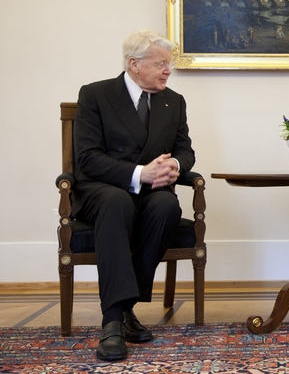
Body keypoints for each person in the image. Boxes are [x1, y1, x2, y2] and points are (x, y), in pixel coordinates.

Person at [72, 28, 195, 361]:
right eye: (161, 64)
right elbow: (87, 158)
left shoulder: (173, 101)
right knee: (117, 202)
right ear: (134, 64)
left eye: (169, 64)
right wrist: (140, 173)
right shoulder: (95, 95)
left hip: (152, 191)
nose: (168, 71)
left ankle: (125, 307)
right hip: (101, 188)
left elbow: (185, 151)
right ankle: (113, 321)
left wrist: (174, 167)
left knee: (167, 205)